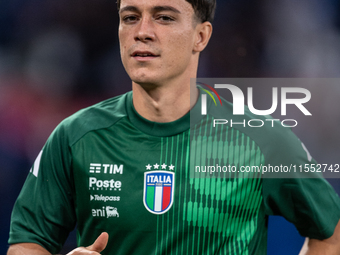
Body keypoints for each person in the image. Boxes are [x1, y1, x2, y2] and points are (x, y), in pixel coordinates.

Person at [7, 0, 340, 254]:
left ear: (201, 36)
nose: (142, 31)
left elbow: (330, 230)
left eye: (164, 17)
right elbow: (27, 242)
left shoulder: (259, 138)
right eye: (130, 17)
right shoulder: (74, 136)